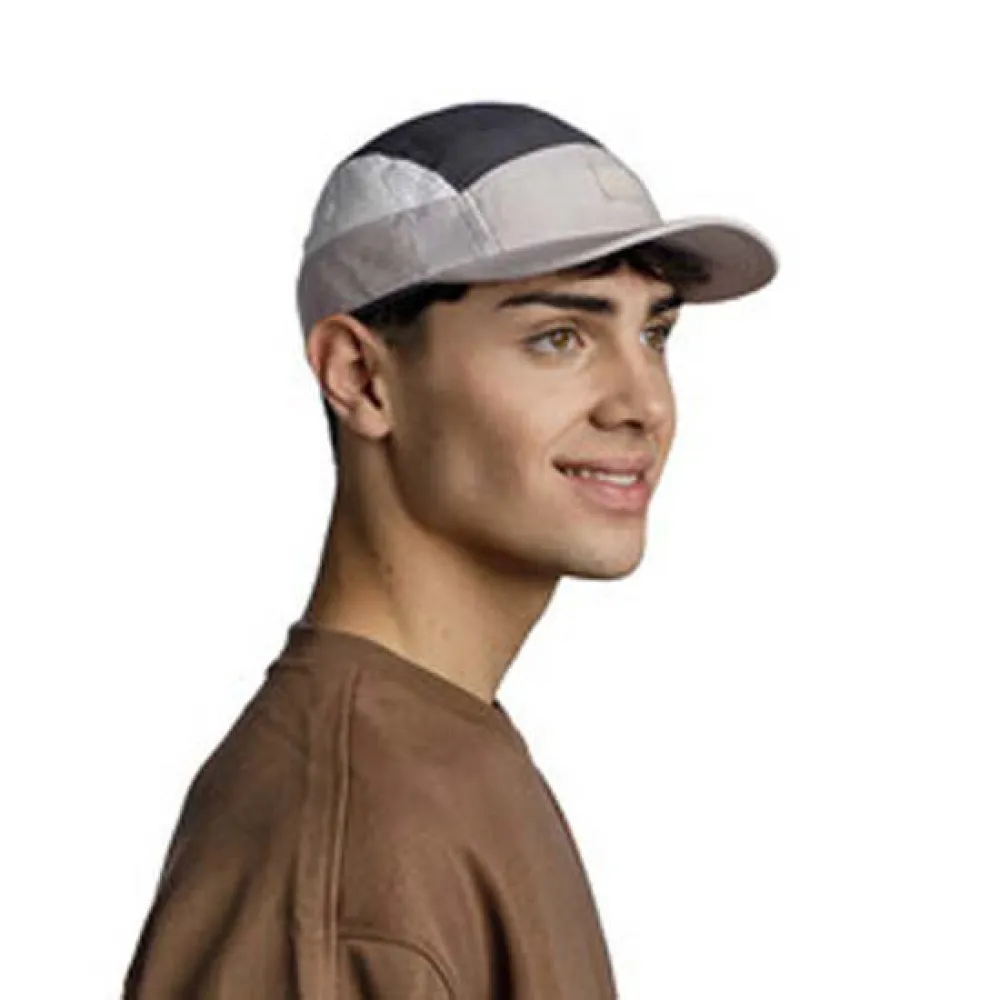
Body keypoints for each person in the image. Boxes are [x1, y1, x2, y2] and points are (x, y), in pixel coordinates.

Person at [121, 100, 779, 999]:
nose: (644, 404)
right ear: (361, 377)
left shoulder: (439, 749)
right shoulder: (350, 848)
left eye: (653, 334)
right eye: (559, 338)